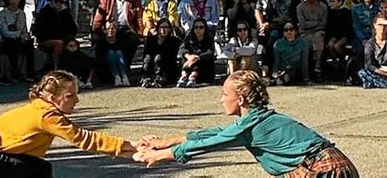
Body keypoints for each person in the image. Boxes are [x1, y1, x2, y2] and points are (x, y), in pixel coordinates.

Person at [134, 70, 359, 177]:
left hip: (323, 170)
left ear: (240, 99)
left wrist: (157, 156)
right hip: (334, 165)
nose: (221, 99)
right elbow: (216, 133)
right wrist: (164, 142)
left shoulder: (251, 126)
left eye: (224, 94)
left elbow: (208, 144)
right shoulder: (255, 120)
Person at [0, 70, 142, 178]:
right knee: (39, 170)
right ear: (52, 97)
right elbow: (85, 139)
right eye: (70, 96)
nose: (76, 100)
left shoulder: (40, 108)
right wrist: (130, 147)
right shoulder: (47, 115)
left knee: (34, 168)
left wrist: (132, 152)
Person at [92, 0, 143, 72]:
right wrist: (96, 31)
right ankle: (101, 71)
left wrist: (140, 33)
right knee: (100, 42)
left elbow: (139, 17)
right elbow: (99, 16)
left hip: (127, 27)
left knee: (132, 40)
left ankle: (125, 68)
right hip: (109, 27)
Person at [32, 0, 77, 71]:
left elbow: (73, 29)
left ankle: (72, 68)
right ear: (51, 1)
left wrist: (64, 13)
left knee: (72, 44)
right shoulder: (45, 12)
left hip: (63, 38)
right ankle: (55, 68)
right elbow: (40, 30)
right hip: (45, 40)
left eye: (61, 2)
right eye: (56, 1)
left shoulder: (65, 13)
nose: (58, 4)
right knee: (59, 43)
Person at [358, 15, 387, 88]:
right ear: (374, 26)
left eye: (384, 25)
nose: (382, 27)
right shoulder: (370, 43)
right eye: (380, 25)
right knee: (363, 73)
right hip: (380, 72)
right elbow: (369, 65)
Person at [0, 0, 34, 82]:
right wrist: (18, 35)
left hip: (20, 38)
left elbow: (24, 29)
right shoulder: (3, 14)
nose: (14, 1)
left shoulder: (22, 13)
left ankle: (30, 73)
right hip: (7, 39)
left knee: (29, 45)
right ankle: (14, 73)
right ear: (7, 0)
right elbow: (4, 32)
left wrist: (25, 36)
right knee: (12, 45)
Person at [297, 0, 328, 79]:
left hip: (319, 32)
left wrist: (310, 24)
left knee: (318, 37)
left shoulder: (323, 7)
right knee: (307, 41)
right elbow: (303, 24)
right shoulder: (300, 7)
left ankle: (317, 68)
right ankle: (305, 71)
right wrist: (316, 22)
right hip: (305, 33)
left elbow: (323, 23)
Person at [140, 18, 181, 88]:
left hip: (167, 69)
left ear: (169, 29)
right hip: (152, 67)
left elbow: (171, 58)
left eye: (166, 27)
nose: (163, 30)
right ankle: (146, 77)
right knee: (148, 58)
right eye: (161, 27)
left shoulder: (174, 41)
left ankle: (160, 78)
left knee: (158, 58)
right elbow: (146, 54)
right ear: (158, 28)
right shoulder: (151, 40)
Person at [177, 17, 215, 87]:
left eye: (201, 27)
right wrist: (188, 56)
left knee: (197, 58)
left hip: (204, 71)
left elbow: (210, 53)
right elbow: (182, 49)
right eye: (196, 27)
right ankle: (184, 76)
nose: (198, 29)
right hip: (189, 68)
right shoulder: (188, 37)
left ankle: (192, 77)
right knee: (184, 57)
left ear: (205, 29)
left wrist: (196, 58)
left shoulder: (209, 39)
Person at [95, 21, 130, 87]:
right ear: (105, 30)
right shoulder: (101, 41)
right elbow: (99, 58)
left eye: (113, 29)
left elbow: (126, 54)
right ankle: (116, 77)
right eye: (108, 29)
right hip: (107, 67)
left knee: (118, 53)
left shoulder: (121, 39)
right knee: (111, 53)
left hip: (121, 64)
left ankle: (124, 76)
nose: (110, 31)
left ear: (116, 30)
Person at [326, 0, 353, 70]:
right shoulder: (330, 12)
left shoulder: (346, 12)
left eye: (333, 1)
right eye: (330, 1)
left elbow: (348, 27)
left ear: (340, 2)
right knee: (331, 44)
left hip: (345, 35)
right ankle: (335, 62)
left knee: (337, 46)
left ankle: (343, 60)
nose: (331, 3)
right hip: (335, 35)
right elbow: (329, 26)